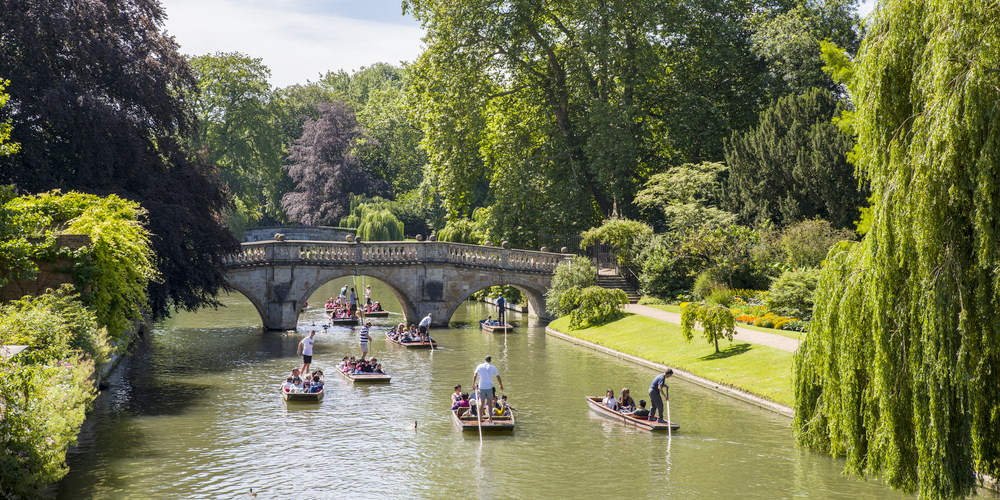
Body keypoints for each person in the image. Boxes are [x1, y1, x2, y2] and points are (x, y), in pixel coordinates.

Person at [472, 355, 504, 423]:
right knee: (489, 403)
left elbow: (475, 375)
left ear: (484, 360)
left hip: (482, 387)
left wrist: (473, 384)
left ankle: (480, 418)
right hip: (489, 387)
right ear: (490, 361)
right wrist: (500, 384)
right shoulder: (493, 367)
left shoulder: (479, 366)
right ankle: (490, 418)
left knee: (482, 403)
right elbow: (498, 376)